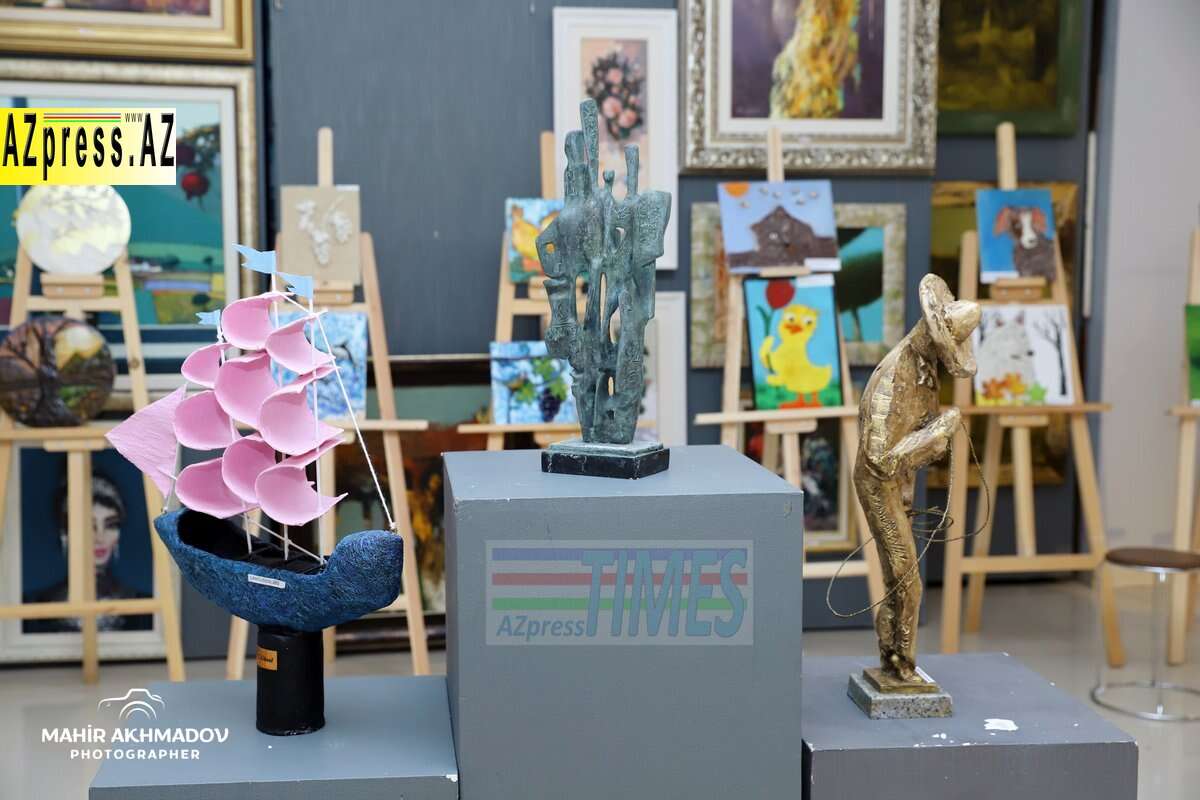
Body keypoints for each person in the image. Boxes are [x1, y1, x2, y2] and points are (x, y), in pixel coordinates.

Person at [854, 274, 980, 684]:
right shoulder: (895, 375)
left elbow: (914, 433)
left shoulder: (925, 370)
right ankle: (901, 664)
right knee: (907, 580)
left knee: (901, 578)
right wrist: (937, 432)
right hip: (879, 487)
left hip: (899, 486)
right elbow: (880, 460)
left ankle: (894, 655)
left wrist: (934, 432)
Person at [23, 473, 151, 633]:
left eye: (110, 525)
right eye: (88, 526)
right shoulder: (33, 607)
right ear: (65, 533)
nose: (100, 537)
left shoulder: (144, 605)